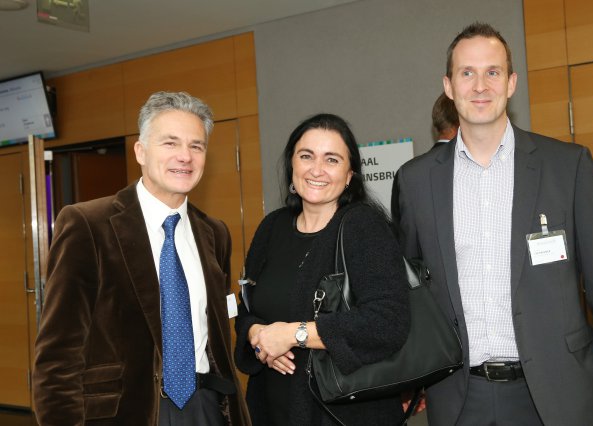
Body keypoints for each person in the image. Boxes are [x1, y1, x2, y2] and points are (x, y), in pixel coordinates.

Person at [393, 22, 593, 426]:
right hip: (459, 397)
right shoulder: (416, 181)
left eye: (492, 72)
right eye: (467, 73)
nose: (480, 85)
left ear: (511, 83)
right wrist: (407, 378)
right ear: (449, 86)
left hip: (559, 394)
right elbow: (410, 293)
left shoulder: (567, 166)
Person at [33, 91, 250, 425]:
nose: (185, 156)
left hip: (206, 407)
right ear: (141, 151)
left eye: (196, 146)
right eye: (170, 143)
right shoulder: (88, 225)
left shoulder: (215, 233)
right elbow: (57, 356)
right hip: (125, 412)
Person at [234, 113, 411, 425]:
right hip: (272, 408)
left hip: (345, 414)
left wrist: (293, 334)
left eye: (331, 159)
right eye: (306, 156)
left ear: (350, 174)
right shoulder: (271, 227)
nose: (317, 169)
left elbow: (388, 322)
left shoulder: (364, 227)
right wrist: (258, 334)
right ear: (292, 164)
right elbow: (247, 306)